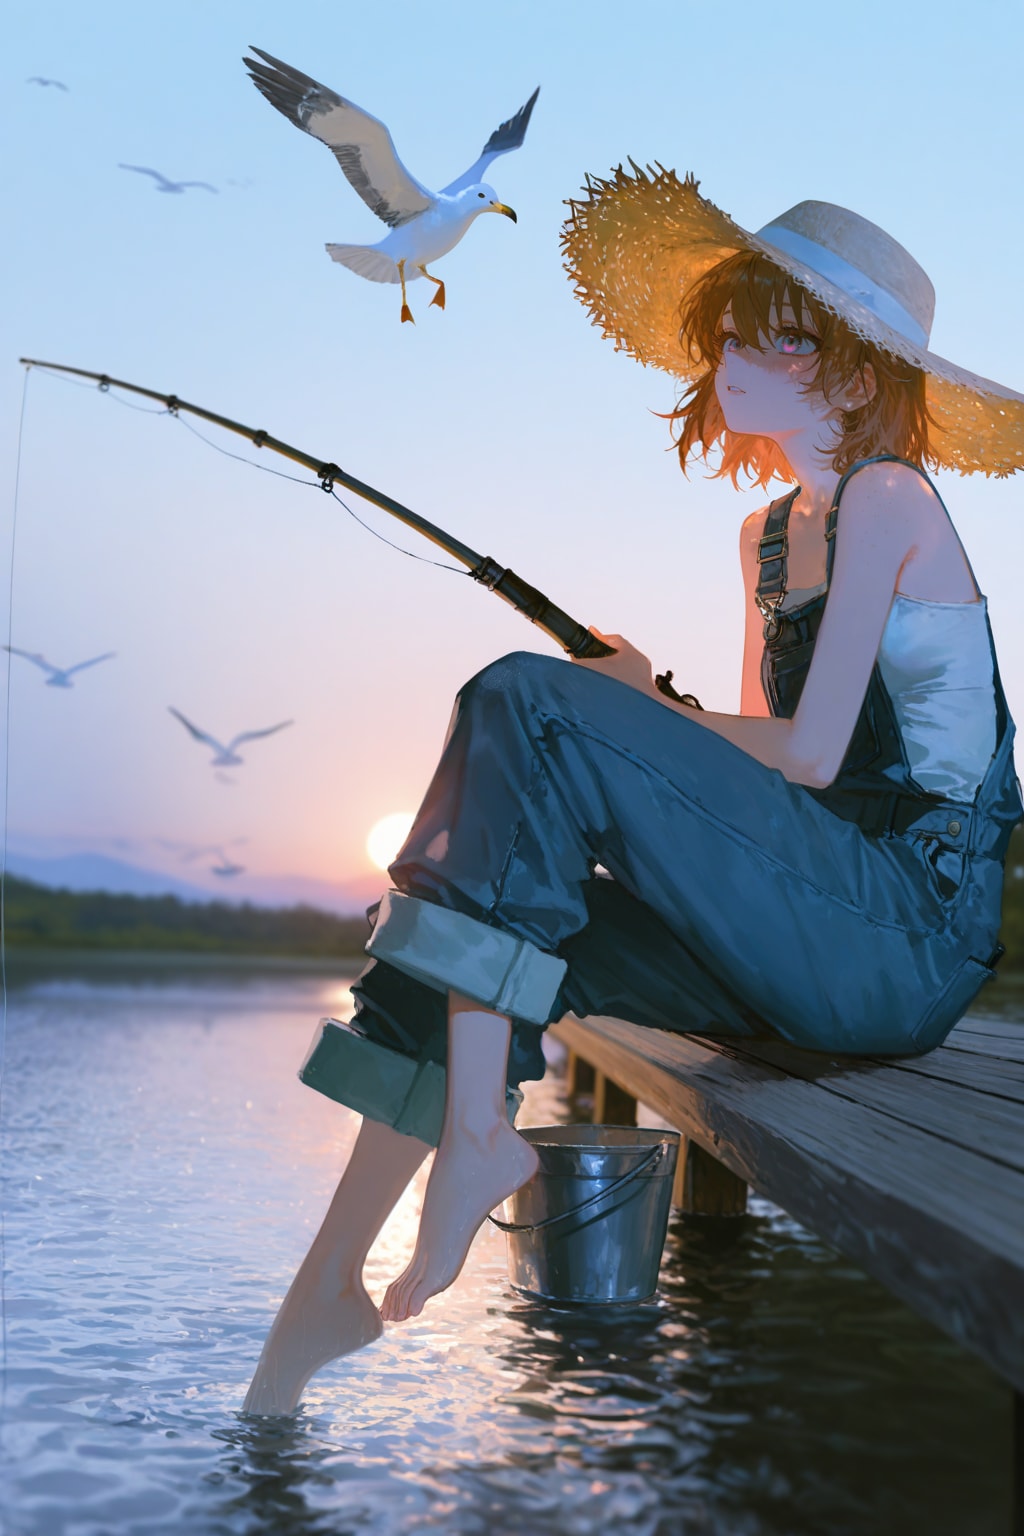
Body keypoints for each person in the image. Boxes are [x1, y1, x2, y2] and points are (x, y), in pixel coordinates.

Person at [243, 168, 1024, 1416]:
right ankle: (318, 1304)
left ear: (861, 376)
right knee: (468, 934)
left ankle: (478, 1153)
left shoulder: (891, 500)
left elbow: (817, 757)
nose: (734, 356)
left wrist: (623, 710)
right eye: (731, 328)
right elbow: (750, 756)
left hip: (903, 943)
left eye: (782, 333)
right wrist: (639, 707)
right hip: (799, 932)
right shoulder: (767, 538)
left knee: (521, 696)